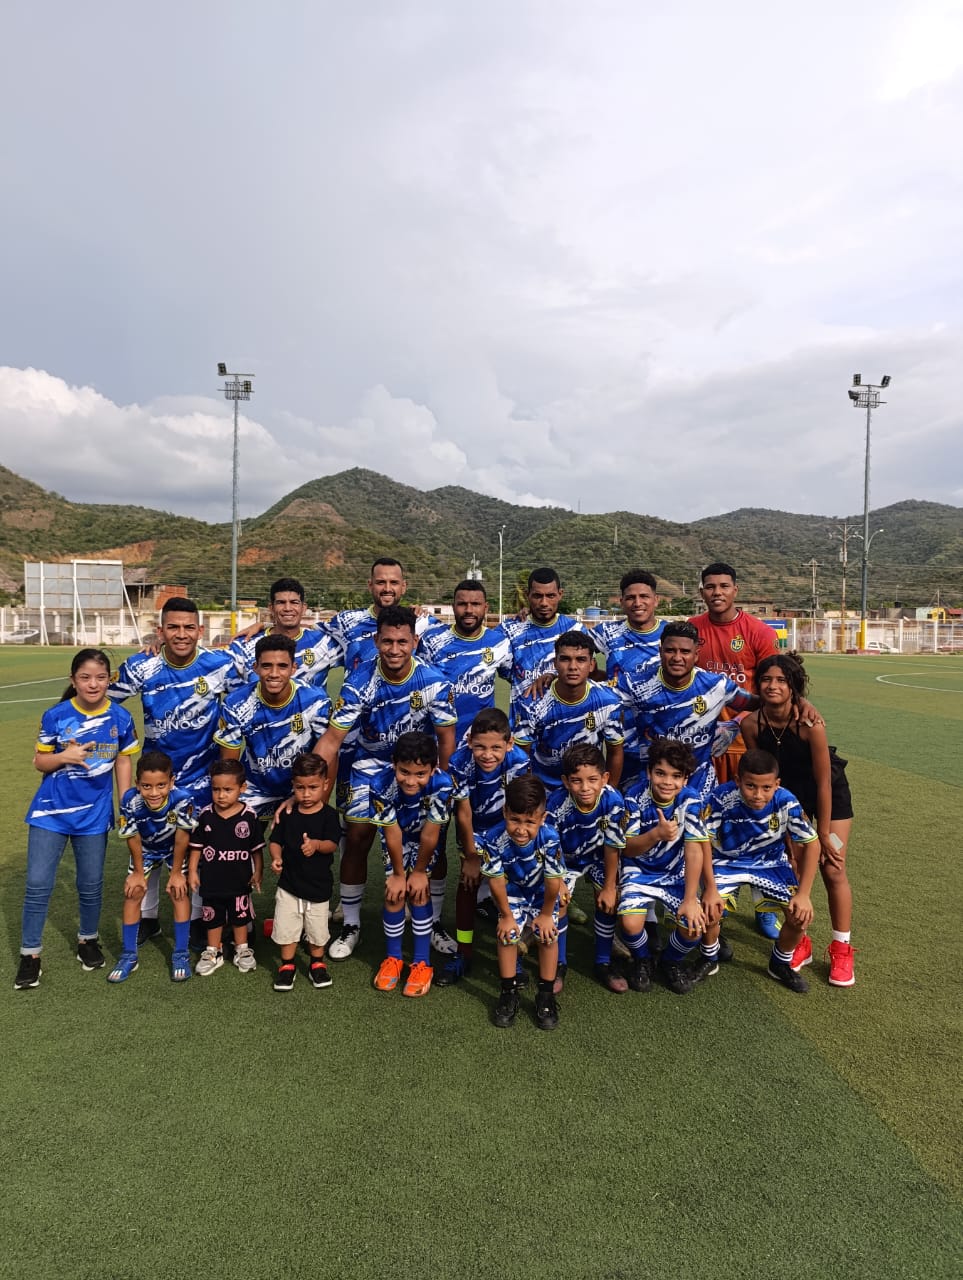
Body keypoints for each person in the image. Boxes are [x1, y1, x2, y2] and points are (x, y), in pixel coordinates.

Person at [314, 605, 456, 960]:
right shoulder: (358, 682)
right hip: (372, 764)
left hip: (418, 768)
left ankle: (434, 920)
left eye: (402, 641)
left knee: (434, 841)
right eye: (387, 641)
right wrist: (309, 783)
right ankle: (351, 923)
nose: (395, 649)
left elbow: (446, 738)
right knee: (358, 836)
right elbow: (332, 739)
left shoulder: (434, 682)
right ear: (376, 640)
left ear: (415, 641)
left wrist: (443, 780)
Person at [108, 596, 242, 942]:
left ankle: (199, 918)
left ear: (199, 630)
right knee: (151, 841)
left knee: (196, 846)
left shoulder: (220, 664)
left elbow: (251, 697)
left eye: (187, 627)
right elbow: (102, 700)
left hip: (201, 777)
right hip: (156, 779)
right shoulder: (142, 667)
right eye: (173, 627)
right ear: (160, 631)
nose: (181, 634)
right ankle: (149, 918)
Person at [16, 648, 139, 990]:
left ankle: (88, 940)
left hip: (94, 816)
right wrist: (64, 756)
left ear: (110, 680)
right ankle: (30, 954)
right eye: (85, 677)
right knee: (38, 884)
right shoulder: (55, 716)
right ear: (73, 681)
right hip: (49, 814)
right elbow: (40, 762)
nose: (93, 684)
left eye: (101, 677)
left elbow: (124, 761)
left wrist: (126, 801)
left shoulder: (120, 718)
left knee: (90, 883)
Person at [741, 653, 856, 986]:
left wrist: (820, 832)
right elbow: (762, 775)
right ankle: (800, 942)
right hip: (789, 800)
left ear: (794, 687)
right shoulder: (751, 725)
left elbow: (823, 782)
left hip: (830, 795)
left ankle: (841, 948)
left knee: (833, 867)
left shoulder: (810, 725)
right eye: (766, 679)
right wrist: (790, 826)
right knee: (793, 870)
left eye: (781, 680)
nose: (773, 686)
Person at [697, 749, 820, 994]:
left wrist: (804, 894)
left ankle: (779, 963)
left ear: (777, 784)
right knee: (709, 910)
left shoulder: (786, 800)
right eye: (750, 786)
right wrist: (709, 889)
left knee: (800, 916)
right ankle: (709, 958)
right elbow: (702, 844)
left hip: (770, 863)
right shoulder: (720, 798)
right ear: (737, 780)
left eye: (766, 788)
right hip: (726, 862)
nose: (758, 794)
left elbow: (812, 844)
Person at [437, 707, 530, 986]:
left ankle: (515, 954)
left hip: (507, 827)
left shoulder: (519, 762)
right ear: (469, 743)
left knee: (514, 885)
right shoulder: (459, 762)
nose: (487, 755)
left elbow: (520, 807)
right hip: (474, 828)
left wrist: (512, 845)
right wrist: (471, 856)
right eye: (480, 747)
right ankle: (464, 951)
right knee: (469, 883)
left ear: (509, 744)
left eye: (495, 748)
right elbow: (463, 813)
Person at [619, 739, 709, 995]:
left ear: (686, 779)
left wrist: (691, 898)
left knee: (693, 926)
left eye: (675, 776)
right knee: (630, 924)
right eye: (660, 773)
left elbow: (694, 850)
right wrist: (656, 834)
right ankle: (643, 958)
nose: (667, 782)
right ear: (649, 772)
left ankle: (671, 960)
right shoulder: (634, 797)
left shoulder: (691, 801)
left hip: (674, 873)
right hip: (640, 870)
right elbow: (628, 848)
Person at [369, 732, 454, 998]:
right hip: (398, 836)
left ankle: (421, 962)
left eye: (420, 774)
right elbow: (391, 833)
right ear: (393, 763)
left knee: (419, 891)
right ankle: (393, 958)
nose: (411, 780)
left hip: (424, 839)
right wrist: (397, 873)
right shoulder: (380, 783)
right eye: (404, 771)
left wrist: (419, 872)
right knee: (394, 893)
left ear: (433, 768)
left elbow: (431, 834)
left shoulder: (442, 784)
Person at [477, 776, 564, 1030]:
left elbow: (553, 882)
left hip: (541, 894)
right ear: (505, 812)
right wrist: (505, 915)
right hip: (511, 892)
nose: (521, 829)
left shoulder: (550, 838)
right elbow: (495, 882)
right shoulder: (492, 839)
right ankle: (508, 991)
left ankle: (545, 994)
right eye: (514, 819)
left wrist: (547, 914)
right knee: (507, 935)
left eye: (530, 822)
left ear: (542, 818)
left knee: (548, 936)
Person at [214, 634, 331, 821]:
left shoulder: (316, 700)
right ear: (256, 667)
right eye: (267, 666)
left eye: (282, 666)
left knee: (305, 846)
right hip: (254, 786)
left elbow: (329, 756)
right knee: (235, 841)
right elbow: (230, 766)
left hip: (301, 787)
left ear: (294, 668)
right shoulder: (236, 703)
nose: (274, 674)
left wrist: (320, 807)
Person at [108, 750, 197, 984]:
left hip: (173, 850)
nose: (154, 792)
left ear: (171, 782)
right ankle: (128, 955)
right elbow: (132, 836)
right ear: (137, 783)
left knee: (179, 892)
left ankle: (180, 954)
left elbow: (181, 838)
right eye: (147, 786)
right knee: (133, 892)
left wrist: (177, 873)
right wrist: (138, 872)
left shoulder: (183, 798)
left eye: (161, 785)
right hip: (146, 849)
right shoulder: (129, 800)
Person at [546, 744, 626, 994]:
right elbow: (551, 847)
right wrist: (558, 883)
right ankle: (559, 964)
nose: (585, 787)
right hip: (565, 862)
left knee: (609, 900)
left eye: (592, 779)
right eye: (576, 781)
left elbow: (613, 847)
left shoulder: (613, 800)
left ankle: (603, 962)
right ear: (565, 782)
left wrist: (610, 887)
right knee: (558, 903)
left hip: (598, 858)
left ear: (604, 778)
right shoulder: (556, 803)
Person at [514, 631, 624, 789]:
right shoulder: (530, 704)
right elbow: (521, 756)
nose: (573, 667)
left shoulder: (609, 702)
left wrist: (609, 792)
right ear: (555, 663)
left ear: (591, 665)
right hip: (544, 788)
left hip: (587, 789)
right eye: (565, 659)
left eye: (581, 660)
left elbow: (615, 752)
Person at [269, 753, 341, 991]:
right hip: (289, 884)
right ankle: (287, 966)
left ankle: (317, 964)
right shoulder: (288, 815)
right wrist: (277, 857)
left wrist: (316, 845)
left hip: (318, 886)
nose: (306, 794)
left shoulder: (329, 816)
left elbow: (332, 843)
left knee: (317, 930)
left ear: (325, 785)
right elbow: (275, 840)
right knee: (286, 927)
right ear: (293, 786)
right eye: (300, 788)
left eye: (313, 787)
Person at [188, 760, 264, 976]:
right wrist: (193, 871)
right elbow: (196, 847)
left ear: (242, 788)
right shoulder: (205, 815)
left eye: (228, 790)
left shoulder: (249, 816)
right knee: (212, 917)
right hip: (212, 882)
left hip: (240, 881)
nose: (221, 795)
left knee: (240, 918)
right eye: (216, 790)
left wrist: (258, 871)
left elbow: (256, 849)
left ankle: (242, 950)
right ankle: (213, 951)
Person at [593, 570, 665, 788]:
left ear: (656, 600)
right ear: (622, 602)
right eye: (631, 598)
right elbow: (572, 648)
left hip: (662, 736)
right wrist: (605, 680)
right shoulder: (608, 633)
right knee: (621, 805)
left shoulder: (670, 635)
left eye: (644, 596)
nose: (637, 603)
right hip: (621, 742)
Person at [417, 579, 512, 744]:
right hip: (437, 739)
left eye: (475, 604)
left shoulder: (500, 643)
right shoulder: (432, 640)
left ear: (486, 607)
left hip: (480, 744)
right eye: (462, 604)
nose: (469, 610)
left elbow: (517, 678)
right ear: (453, 606)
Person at [502, 567, 584, 728]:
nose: (544, 603)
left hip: (565, 727)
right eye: (537, 596)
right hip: (522, 728)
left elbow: (590, 675)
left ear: (560, 594)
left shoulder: (577, 630)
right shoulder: (509, 631)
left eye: (550, 596)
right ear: (528, 595)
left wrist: (556, 677)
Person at [228, 576, 341, 689]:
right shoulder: (244, 645)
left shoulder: (324, 642)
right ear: (271, 608)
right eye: (281, 602)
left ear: (303, 608)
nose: (288, 608)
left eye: (294, 602)